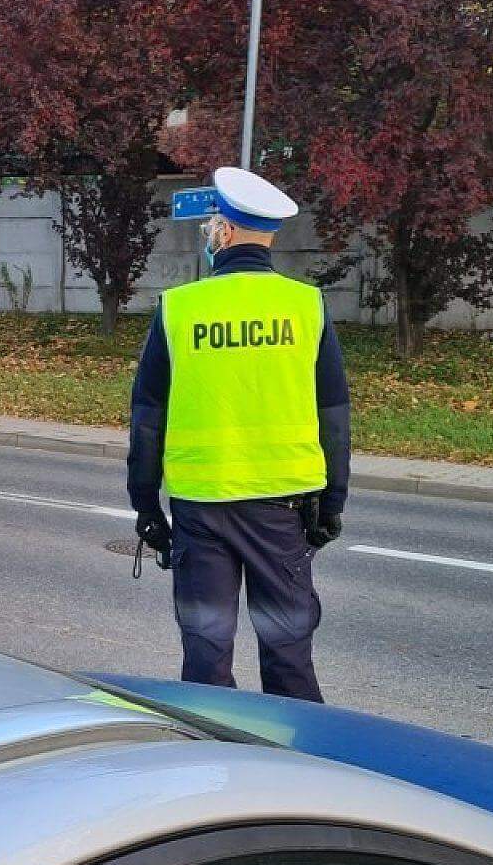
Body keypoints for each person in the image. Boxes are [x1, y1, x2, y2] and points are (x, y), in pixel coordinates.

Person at [127, 166, 352, 701]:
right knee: (288, 649)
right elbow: (334, 412)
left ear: (224, 233)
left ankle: (218, 765)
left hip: (200, 507)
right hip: (283, 507)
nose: (210, 232)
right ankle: (300, 766)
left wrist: (144, 502)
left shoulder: (179, 309)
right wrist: (333, 501)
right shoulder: (307, 306)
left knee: (206, 650)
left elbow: (148, 414)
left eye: (213, 224)